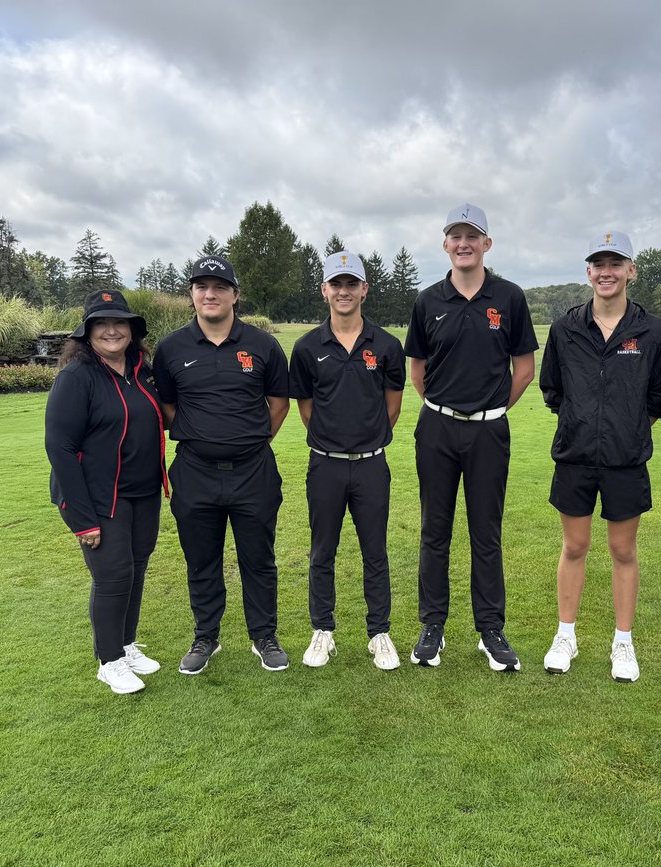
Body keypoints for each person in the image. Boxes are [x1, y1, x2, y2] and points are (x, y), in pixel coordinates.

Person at [404, 203, 538, 671]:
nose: (464, 243)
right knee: (434, 531)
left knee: (486, 533)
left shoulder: (510, 297)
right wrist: (444, 406)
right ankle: (432, 627)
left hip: (488, 431)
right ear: (445, 244)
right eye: (455, 236)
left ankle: (491, 629)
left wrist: (494, 407)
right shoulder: (428, 301)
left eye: (472, 236)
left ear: (487, 243)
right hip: (437, 427)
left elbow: (524, 369)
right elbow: (417, 370)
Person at [540, 231, 661, 681]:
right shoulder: (565, 329)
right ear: (588, 272)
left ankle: (623, 642)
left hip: (626, 460)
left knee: (623, 549)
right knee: (575, 545)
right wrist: (585, 423)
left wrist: (628, 428)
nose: (606, 272)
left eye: (615, 263)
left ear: (630, 271)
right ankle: (566, 635)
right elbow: (553, 390)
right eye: (598, 264)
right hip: (575, 457)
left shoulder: (653, 331)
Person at [152, 256, 291, 674]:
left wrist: (248, 440)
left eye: (219, 286)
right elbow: (168, 407)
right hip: (195, 472)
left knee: (259, 559)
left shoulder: (263, 345)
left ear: (235, 294)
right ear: (191, 294)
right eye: (201, 286)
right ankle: (205, 637)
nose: (209, 294)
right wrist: (204, 436)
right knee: (202, 560)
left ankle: (263, 636)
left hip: (253, 471)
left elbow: (279, 404)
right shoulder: (172, 347)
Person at [45, 289, 169, 695]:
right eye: (102, 324)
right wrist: (81, 518)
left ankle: (127, 646)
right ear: (87, 333)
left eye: (121, 324)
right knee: (112, 576)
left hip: (143, 492)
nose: (112, 331)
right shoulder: (76, 377)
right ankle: (109, 660)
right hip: (99, 498)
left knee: (135, 569)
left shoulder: (142, 371)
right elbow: (59, 448)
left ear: (132, 331)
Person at [289, 252, 406, 671]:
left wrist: (366, 440)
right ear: (324, 290)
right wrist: (332, 440)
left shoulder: (387, 345)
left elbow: (392, 407)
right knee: (323, 550)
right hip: (325, 465)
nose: (343, 291)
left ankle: (379, 633)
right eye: (335, 284)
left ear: (363, 290)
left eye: (351, 284)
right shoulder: (306, 348)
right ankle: (323, 630)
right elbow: (306, 408)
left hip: (372, 464)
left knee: (375, 551)